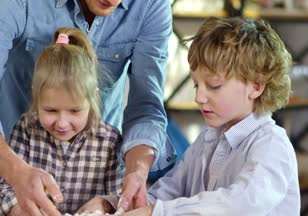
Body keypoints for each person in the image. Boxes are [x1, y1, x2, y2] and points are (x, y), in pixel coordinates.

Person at [0, 0, 177, 215]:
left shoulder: (151, 3)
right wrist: (17, 173)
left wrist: (135, 172)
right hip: (8, 185)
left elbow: (146, 107)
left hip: (96, 196)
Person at [121, 16, 301, 215]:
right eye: (196, 85)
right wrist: (112, 204)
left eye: (214, 86)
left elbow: (238, 204)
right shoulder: (207, 141)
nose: (199, 97)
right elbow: (164, 195)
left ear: (256, 86)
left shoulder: (272, 145)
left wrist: (156, 212)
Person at [0, 28, 123, 215]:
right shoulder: (26, 130)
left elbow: (120, 196)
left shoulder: (110, 140)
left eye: (74, 111)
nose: (62, 123)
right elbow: (4, 191)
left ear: (93, 97)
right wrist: (21, 210)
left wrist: (104, 203)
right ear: (36, 96)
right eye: (51, 110)